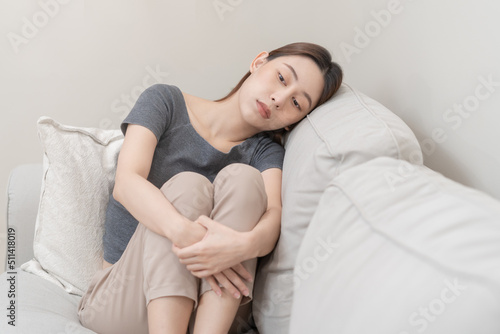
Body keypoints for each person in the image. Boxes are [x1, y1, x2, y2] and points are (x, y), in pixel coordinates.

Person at [77, 42, 343, 334]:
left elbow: (275, 216)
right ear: (258, 62)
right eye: (281, 78)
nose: (279, 98)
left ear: (295, 122)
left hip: (208, 314)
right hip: (122, 300)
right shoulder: (165, 101)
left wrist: (240, 246)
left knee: (245, 179)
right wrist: (188, 235)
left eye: (297, 103)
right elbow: (126, 184)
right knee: (189, 186)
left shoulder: (265, 154)